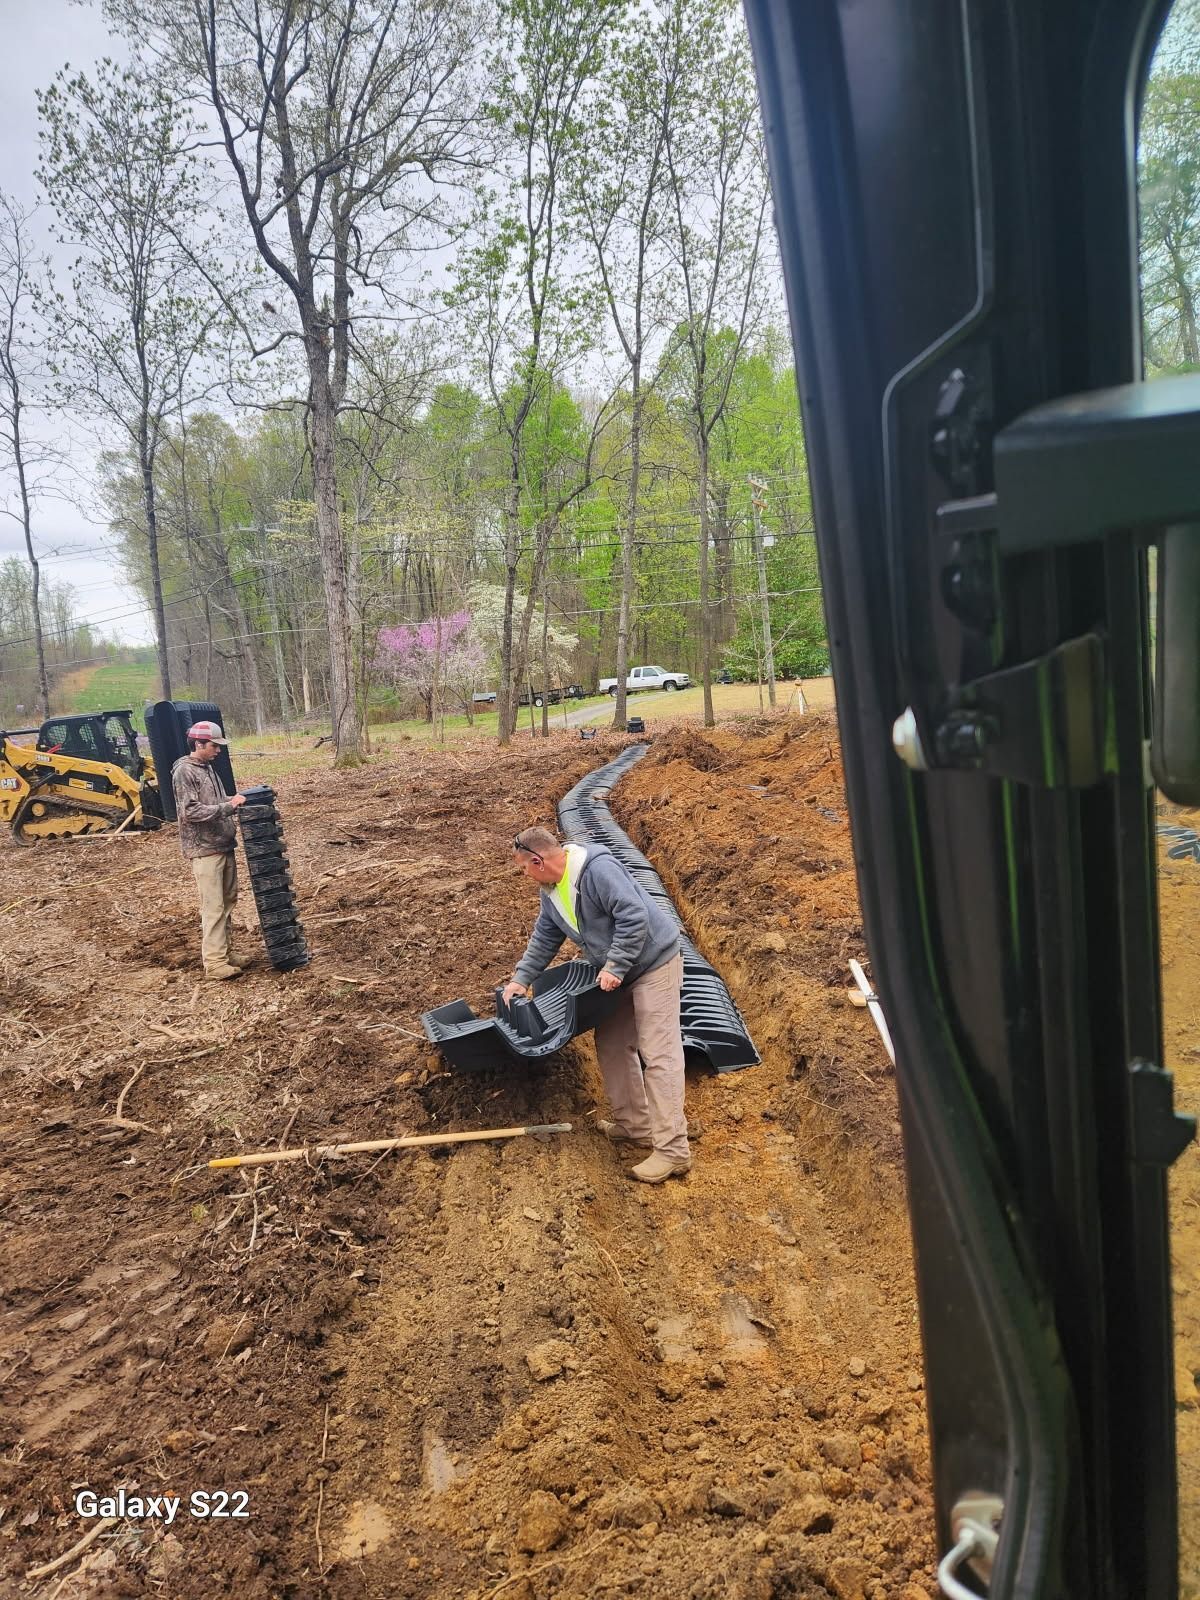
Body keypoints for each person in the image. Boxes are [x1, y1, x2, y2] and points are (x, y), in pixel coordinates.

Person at [503, 826, 691, 1184]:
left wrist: (616, 964)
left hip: (654, 962)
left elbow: (634, 914)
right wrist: (521, 978)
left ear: (538, 860)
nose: (524, 874)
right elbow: (545, 935)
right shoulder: (552, 890)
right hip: (618, 970)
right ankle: (635, 1126)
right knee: (613, 1044)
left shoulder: (596, 869)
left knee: (659, 1053)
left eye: (524, 867)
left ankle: (673, 1151)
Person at [171, 720, 247, 980]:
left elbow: (217, 802)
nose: (218, 751)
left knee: (227, 903)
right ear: (199, 744)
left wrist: (236, 800)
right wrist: (228, 807)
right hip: (205, 851)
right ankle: (214, 963)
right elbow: (190, 811)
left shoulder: (208, 769)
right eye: (214, 746)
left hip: (222, 845)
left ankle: (226, 954)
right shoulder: (185, 771)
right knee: (213, 907)